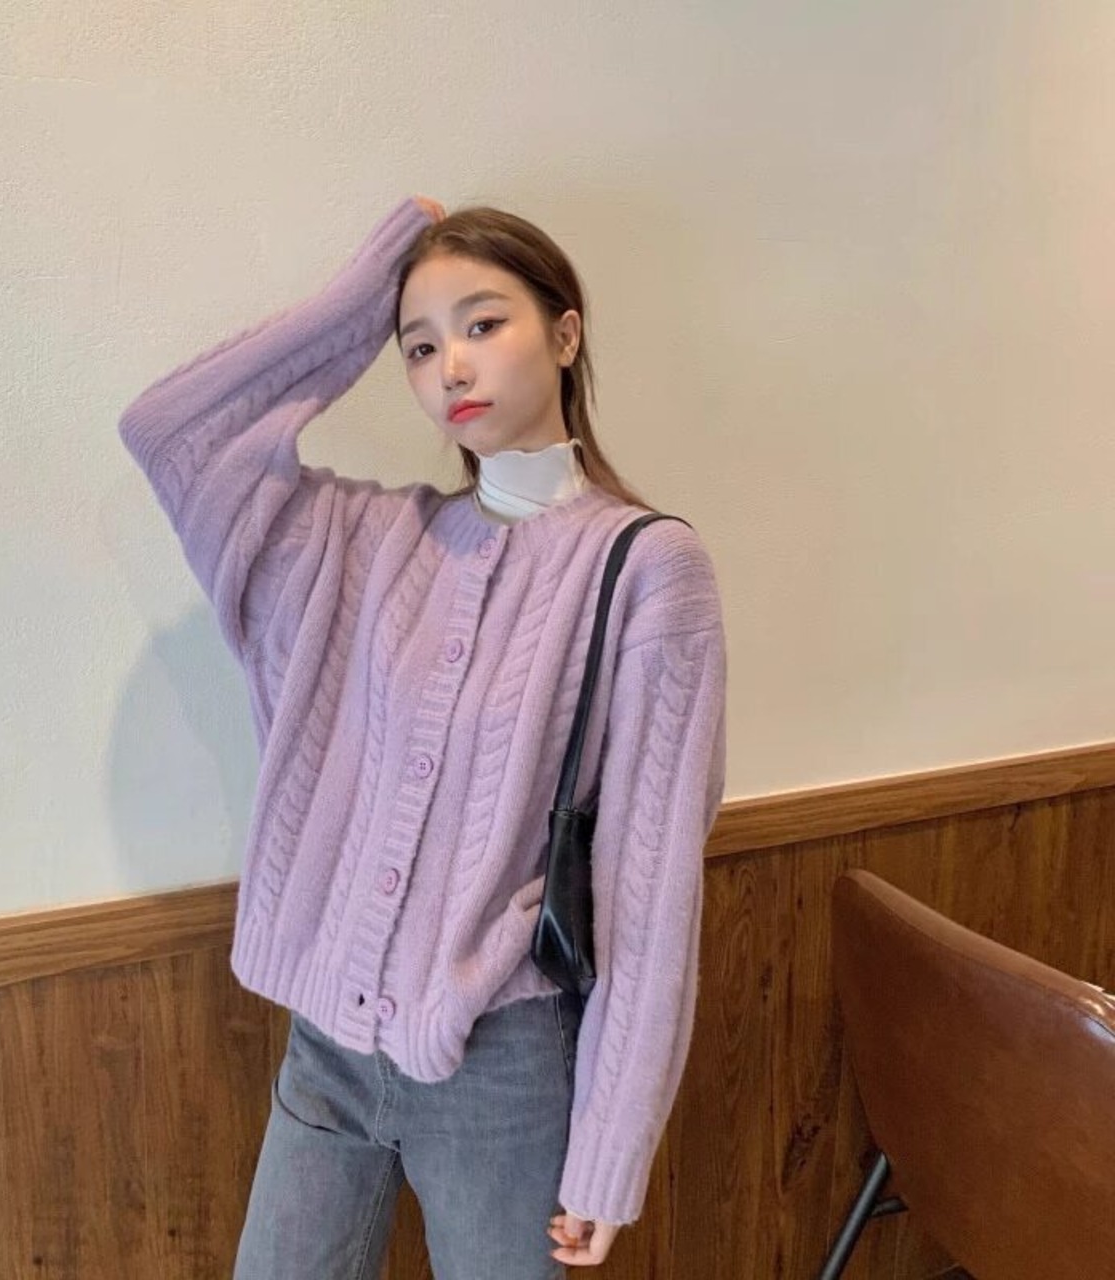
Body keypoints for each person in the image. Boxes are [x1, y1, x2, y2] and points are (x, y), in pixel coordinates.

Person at [117, 193, 727, 1278]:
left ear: (566, 334)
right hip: (327, 1051)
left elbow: (648, 883)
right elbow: (172, 433)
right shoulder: (361, 542)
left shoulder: (645, 568)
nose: (453, 365)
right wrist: (368, 287)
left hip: (503, 1063)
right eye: (419, 346)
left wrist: (608, 1152)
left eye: (483, 323)